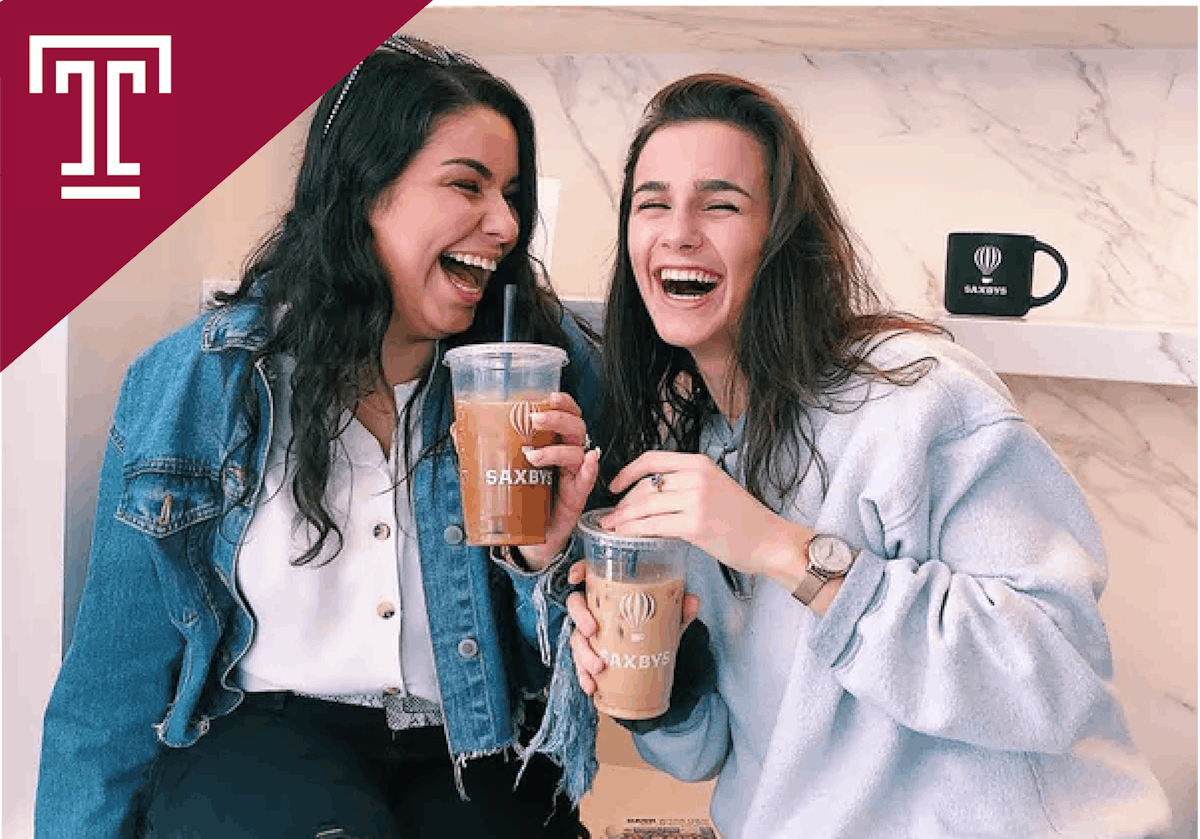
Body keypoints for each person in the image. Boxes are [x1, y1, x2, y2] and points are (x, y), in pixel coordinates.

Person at [566, 73, 1172, 839]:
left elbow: (1055, 678)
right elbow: (715, 753)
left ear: (783, 238)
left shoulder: (920, 399)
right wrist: (666, 682)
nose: (679, 230)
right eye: (653, 203)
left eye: (720, 203)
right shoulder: (698, 451)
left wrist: (786, 553)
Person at [35, 35, 603, 839]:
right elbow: (112, 683)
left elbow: (590, 668)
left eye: (512, 194)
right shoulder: (200, 382)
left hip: (474, 741)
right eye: (467, 186)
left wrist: (543, 562)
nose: (506, 224)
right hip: (260, 737)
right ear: (365, 191)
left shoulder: (545, 374)